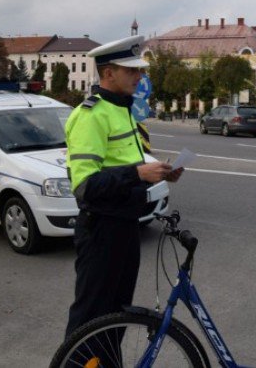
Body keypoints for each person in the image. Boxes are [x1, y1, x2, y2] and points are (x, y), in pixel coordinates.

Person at [64, 34, 183, 338]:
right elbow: (85, 186)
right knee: (90, 321)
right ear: (108, 73)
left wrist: (160, 172)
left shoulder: (123, 108)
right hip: (102, 229)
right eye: (132, 70)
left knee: (116, 318)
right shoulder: (91, 115)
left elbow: (126, 162)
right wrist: (138, 174)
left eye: (140, 70)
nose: (140, 76)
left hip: (126, 226)